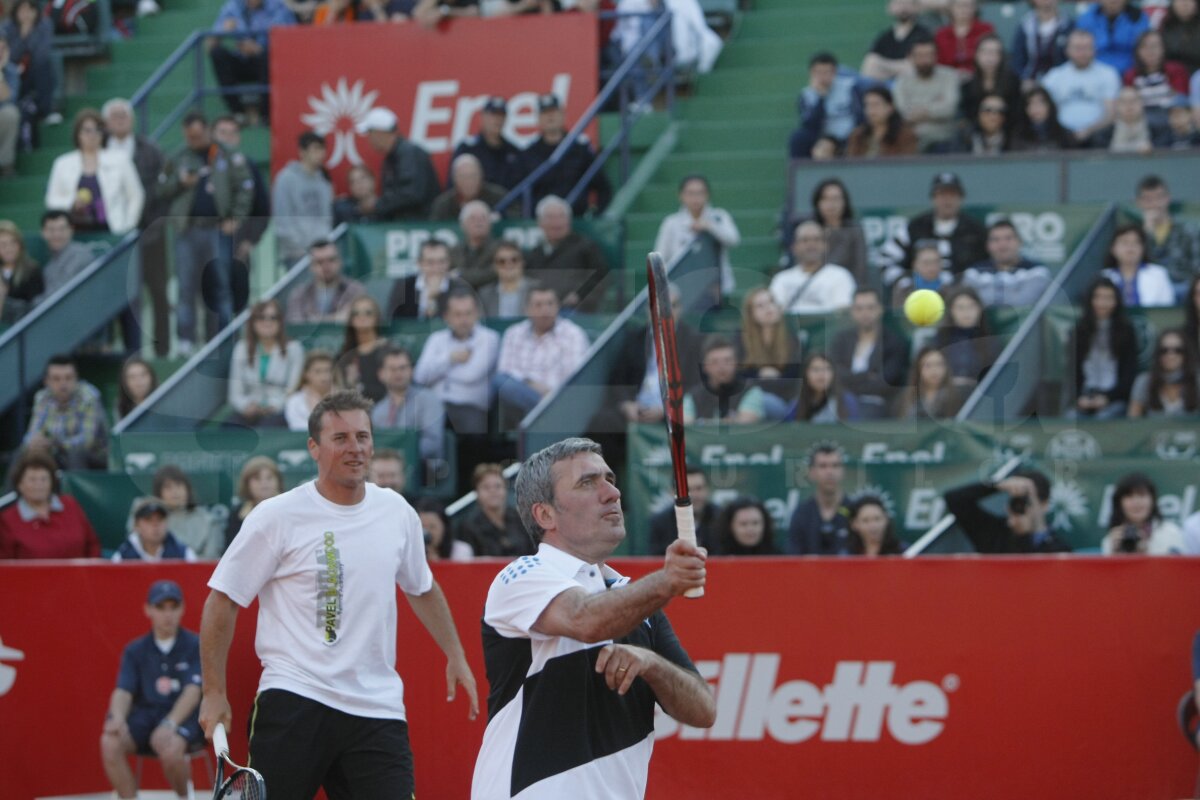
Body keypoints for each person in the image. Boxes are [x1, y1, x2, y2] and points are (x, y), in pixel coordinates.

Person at [200, 391, 479, 799]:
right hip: (294, 697)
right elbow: (222, 600)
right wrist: (213, 692)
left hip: (376, 709)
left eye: (363, 437)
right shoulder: (277, 516)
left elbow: (422, 588)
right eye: (341, 438)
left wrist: (456, 654)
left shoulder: (397, 512)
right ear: (314, 447)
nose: (356, 448)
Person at [471, 437, 714, 798]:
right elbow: (585, 620)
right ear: (545, 515)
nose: (611, 493)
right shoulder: (521, 575)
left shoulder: (635, 601)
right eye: (588, 482)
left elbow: (703, 710)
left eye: (610, 479)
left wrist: (651, 663)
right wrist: (667, 581)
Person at [159, 112, 254, 355]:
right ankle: (185, 341)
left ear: (208, 131)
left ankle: (222, 338)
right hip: (187, 230)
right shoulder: (179, 156)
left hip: (217, 230)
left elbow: (245, 188)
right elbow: (161, 190)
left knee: (220, 285)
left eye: (199, 135)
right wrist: (181, 183)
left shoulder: (227, 155)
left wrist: (236, 217)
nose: (195, 140)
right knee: (186, 286)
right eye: (190, 137)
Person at [100, 580, 204, 800]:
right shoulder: (135, 650)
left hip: (183, 718)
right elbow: (123, 691)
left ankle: (184, 796)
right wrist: (117, 718)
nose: (168, 615)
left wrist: (170, 724)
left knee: (172, 750)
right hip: (146, 717)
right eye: (160, 607)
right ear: (148, 610)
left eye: (173, 607)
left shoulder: (195, 644)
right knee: (110, 742)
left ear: (182, 608)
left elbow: (192, 692)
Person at [103, 97, 169, 355]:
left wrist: (153, 225)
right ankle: (126, 349)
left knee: (157, 291)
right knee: (120, 294)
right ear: (107, 123)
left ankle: (162, 349)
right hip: (113, 235)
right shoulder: (100, 151)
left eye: (124, 115)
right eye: (115, 116)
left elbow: (163, 191)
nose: (120, 120)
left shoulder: (150, 149)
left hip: (150, 231)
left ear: (132, 120)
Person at [494, 283, 591, 416]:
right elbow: (506, 372)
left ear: (558, 307)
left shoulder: (573, 334)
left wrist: (549, 391)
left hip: (561, 398)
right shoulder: (514, 333)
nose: (545, 310)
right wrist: (531, 383)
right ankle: (546, 411)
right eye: (538, 305)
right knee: (501, 382)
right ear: (527, 309)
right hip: (524, 396)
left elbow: (574, 378)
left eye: (550, 304)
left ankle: (544, 412)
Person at [879, 172, 988, 288]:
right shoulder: (915, 227)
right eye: (942, 194)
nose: (947, 200)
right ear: (933, 198)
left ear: (961, 198)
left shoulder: (976, 230)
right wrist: (905, 283)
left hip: (963, 300)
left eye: (952, 194)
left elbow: (990, 265)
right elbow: (886, 258)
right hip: (920, 296)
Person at [413, 287, 499, 435]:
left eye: (468, 313)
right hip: (436, 405)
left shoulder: (489, 338)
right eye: (457, 314)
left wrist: (437, 375)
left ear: (477, 314)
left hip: (471, 407)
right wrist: (451, 358)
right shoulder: (436, 339)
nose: (464, 320)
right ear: (447, 316)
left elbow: (471, 375)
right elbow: (419, 376)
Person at [44, 109, 144, 235]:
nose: (92, 135)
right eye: (87, 130)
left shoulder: (120, 159)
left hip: (113, 229)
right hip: (75, 232)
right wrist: (72, 202)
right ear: (78, 134)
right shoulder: (62, 163)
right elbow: (51, 200)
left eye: (97, 130)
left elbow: (136, 195)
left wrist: (128, 226)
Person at [518, 93, 613, 217]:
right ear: (538, 119)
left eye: (554, 112)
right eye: (545, 113)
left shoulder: (580, 150)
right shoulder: (528, 154)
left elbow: (603, 188)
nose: (550, 116)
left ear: (563, 115)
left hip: (576, 222)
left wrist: (595, 216)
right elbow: (519, 194)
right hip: (540, 224)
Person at [943, 469, 1073, 553]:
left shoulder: (1059, 550)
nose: (1020, 506)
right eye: (1016, 501)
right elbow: (954, 500)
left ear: (1044, 504)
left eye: (1026, 501)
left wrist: (1026, 532)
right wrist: (997, 485)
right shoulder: (994, 535)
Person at [0, 449, 98, 559]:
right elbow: (5, 564)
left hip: (80, 575)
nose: (39, 485)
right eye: (32, 480)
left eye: (44, 479)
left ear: (52, 483)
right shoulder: (8, 520)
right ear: (20, 484)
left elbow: (92, 545)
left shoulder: (70, 505)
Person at [653, 174, 740, 296]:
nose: (696, 198)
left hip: (716, 289)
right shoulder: (671, 223)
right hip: (683, 289)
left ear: (707, 195)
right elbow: (660, 258)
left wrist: (710, 226)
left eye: (700, 193)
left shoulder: (719, 216)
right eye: (690, 193)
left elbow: (733, 239)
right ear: (681, 196)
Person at [209, 0, 295, 121]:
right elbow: (210, 44)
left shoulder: (278, 7)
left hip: (267, 60)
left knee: (266, 56)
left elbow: (290, 40)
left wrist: (258, 49)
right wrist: (221, 33)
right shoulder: (232, 6)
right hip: (241, 59)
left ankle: (266, 114)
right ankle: (237, 112)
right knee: (217, 53)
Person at [524, 195, 611, 313]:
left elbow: (601, 276)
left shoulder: (585, 246)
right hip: (541, 311)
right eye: (550, 217)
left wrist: (580, 295)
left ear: (569, 220)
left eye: (561, 216)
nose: (557, 222)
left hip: (575, 311)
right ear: (540, 222)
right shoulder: (534, 253)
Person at [830, 288, 907, 418]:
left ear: (880, 309)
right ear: (852, 311)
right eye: (859, 308)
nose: (865, 313)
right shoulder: (841, 339)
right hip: (840, 399)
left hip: (875, 403)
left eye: (870, 308)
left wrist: (851, 380)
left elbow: (885, 382)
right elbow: (834, 373)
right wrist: (867, 375)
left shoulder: (893, 342)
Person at [227, 299, 305, 428]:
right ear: (253, 322)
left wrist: (274, 406)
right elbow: (235, 393)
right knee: (229, 427)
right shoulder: (241, 348)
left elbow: (292, 389)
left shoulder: (294, 348)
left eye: (273, 318)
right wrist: (247, 406)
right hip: (250, 409)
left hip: (280, 409)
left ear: (280, 322)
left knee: (267, 427)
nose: (267, 322)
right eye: (261, 318)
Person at [1068, 276, 1138, 419]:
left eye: (1108, 298)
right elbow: (1072, 372)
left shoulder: (1126, 330)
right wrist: (1080, 397)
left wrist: (1108, 398)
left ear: (1116, 301)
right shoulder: (1079, 331)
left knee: (1105, 417)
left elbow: (1129, 373)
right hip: (1085, 395)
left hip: (1115, 398)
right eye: (1098, 297)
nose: (1102, 303)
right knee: (1070, 417)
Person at [22, 353, 107, 470]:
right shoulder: (42, 398)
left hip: (92, 456)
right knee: (24, 453)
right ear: (47, 381)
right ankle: (13, 489)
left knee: (75, 455)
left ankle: (75, 489)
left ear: (76, 378)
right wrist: (33, 442)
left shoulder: (89, 397)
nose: (63, 384)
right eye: (56, 379)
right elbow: (33, 432)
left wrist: (55, 444)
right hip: (54, 452)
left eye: (68, 378)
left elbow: (87, 441)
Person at [372, 345, 447, 474]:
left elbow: (433, 444)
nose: (398, 373)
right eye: (392, 369)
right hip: (384, 473)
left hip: (422, 471)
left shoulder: (428, 399)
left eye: (403, 368)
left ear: (411, 370)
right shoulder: (378, 410)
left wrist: (398, 456)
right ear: (381, 374)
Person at [359, 106, 440, 221]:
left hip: (419, 226)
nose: (369, 139)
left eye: (370, 134)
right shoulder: (393, 157)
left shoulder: (409, 154)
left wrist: (377, 205)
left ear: (380, 133)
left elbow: (412, 194)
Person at [1042, 29, 1121, 145]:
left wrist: (1089, 130)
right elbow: (1046, 111)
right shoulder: (1054, 76)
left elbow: (1111, 113)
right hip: (1061, 135)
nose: (1082, 53)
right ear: (1067, 50)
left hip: (1099, 134)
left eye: (1087, 48)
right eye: (1078, 48)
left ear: (1094, 49)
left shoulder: (1108, 74)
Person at [735, 288, 803, 420]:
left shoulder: (791, 339)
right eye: (760, 306)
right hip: (749, 398)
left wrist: (764, 378)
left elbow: (794, 379)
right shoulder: (741, 339)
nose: (768, 308)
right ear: (751, 314)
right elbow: (739, 377)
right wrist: (761, 375)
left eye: (771, 302)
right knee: (756, 399)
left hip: (784, 400)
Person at [769, 220, 856, 314]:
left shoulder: (840, 276)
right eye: (804, 240)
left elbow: (843, 314)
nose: (811, 245)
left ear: (825, 246)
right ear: (794, 247)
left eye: (816, 239)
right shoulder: (782, 279)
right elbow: (775, 313)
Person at [789, 52, 866, 158]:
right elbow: (810, 125)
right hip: (822, 138)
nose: (823, 77)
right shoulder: (806, 95)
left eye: (826, 72)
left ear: (835, 72)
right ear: (811, 73)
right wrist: (821, 97)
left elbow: (860, 115)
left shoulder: (850, 87)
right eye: (818, 73)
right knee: (799, 137)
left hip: (849, 136)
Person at [273, 131, 333, 265]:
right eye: (315, 148)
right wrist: (298, 248)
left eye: (322, 149)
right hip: (296, 254)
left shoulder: (324, 182)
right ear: (302, 152)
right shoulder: (286, 179)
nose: (320, 154)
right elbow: (283, 218)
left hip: (323, 254)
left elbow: (326, 218)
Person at [961, 219, 1052, 307]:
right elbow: (969, 305)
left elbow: (1024, 303)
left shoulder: (1037, 272)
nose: (1002, 245)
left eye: (1008, 238)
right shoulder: (974, 272)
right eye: (996, 240)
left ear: (1020, 242)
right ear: (987, 245)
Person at [893, 36, 961, 151]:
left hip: (942, 141)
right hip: (910, 141)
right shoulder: (902, 81)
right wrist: (935, 106)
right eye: (920, 56)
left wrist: (920, 110)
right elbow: (902, 112)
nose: (925, 60)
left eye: (929, 55)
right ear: (911, 57)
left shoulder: (950, 76)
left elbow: (949, 109)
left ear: (936, 56)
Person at [1134, 175, 1199, 296]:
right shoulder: (1134, 235)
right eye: (1148, 199)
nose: (1155, 204)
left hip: (1184, 290)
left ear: (1168, 198)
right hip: (1148, 291)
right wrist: (1145, 234)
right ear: (1139, 202)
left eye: (1159, 197)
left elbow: (1197, 267)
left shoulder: (1188, 231)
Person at [682, 335, 765, 425]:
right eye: (714, 362)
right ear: (704, 366)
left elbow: (745, 423)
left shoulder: (751, 391)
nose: (722, 367)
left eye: (727, 361)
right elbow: (687, 426)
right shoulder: (693, 396)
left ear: (736, 363)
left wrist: (702, 423)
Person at [786, 443, 851, 555]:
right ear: (811, 472)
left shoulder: (855, 511)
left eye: (835, 466)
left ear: (843, 471)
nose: (830, 472)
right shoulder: (801, 514)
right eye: (823, 466)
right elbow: (793, 559)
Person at [455, 464, 533, 558]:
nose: (493, 491)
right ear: (477, 492)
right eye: (486, 487)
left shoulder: (521, 518)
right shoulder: (467, 526)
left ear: (505, 489)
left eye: (498, 486)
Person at [1, 0, 56, 127]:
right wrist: (23, 33)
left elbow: (41, 53)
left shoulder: (45, 24)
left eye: (29, 9)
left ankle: (45, 111)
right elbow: (10, 56)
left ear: (35, 11)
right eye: (22, 10)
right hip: (11, 72)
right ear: (16, 11)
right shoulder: (7, 27)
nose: (26, 14)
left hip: (34, 71)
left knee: (44, 66)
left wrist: (29, 32)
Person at [285, 239, 366, 324]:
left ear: (340, 261)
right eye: (320, 262)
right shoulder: (299, 294)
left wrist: (312, 319)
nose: (326, 266)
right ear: (311, 266)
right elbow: (295, 326)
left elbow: (359, 321)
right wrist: (337, 318)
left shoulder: (355, 290)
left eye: (331, 260)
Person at [1102, 472, 1186, 555]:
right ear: (1119, 503)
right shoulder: (1111, 540)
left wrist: (1147, 551)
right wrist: (1114, 554)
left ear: (1153, 500)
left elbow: (1180, 567)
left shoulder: (1171, 533)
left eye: (1142, 495)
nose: (1136, 502)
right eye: (1129, 496)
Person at [803, 178, 868, 285]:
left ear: (844, 202)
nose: (831, 204)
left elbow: (860, 268)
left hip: (846, 289)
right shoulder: (809, 230)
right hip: (813, 288)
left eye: (836, 199)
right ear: (817, 203)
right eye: (825, 199)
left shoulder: (854, 231)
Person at [1124, 30, 1189, 133]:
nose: (1150, 51)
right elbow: (1128, 103)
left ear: (1163, 49)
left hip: (1171, 125)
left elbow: (1181, 101)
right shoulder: (1131, 76)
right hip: (1142, 126)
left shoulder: (1176, 70)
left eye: (1155, 46)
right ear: (1138, 51)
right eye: (1145, 47)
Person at [387, 238, 469, 321]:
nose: (436, 268)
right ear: (419, 263)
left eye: (441, 262)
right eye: (430, 262)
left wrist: (433, 299)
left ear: (449, 262)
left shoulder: (458, 287)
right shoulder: (404, 286)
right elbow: (392, 319)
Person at [152, 464, 224, 559]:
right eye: (168, 487)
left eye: (178, 485)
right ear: (159, 493)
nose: (175, 492)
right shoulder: (148, 520)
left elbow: (212, 559)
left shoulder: (209, 521)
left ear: (187, 488)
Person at [452, 95, 521, 191]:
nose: (497, 120)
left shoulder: (514, 152)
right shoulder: (467, 149)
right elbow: (453, 186)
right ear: (483, 117)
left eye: (501, 115)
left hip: (507, 204)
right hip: (474, 203)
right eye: (493, 115)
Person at [935, 285, 998, 390]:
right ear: (951, 311)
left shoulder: (991, 342)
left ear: (980, 309)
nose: (966, 313)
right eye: (960, 308)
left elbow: (996, 379)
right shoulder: (940, 340)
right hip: (946, 396)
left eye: (971, 306)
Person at [647, 466, 719, 556]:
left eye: (699, 488)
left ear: (707, 490)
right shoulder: (660, 522)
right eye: (687, 490)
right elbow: (656, 558)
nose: (695, 495)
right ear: (673, 493)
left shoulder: (721, 517)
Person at [1128, 328, 1200, 417]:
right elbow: (1132, 420)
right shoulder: (1144, 381)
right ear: (1158, 353)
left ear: (1186, 354)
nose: (1170, 355)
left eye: (1178, 350)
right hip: (1155, 430)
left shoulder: (1197, 380)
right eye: (1164, 350)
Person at [1102, 222, 1175, 307]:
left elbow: (1166, 309)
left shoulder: (1159, 274)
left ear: (1143, 248)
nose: (1130, 247)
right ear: (1113, 249)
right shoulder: (1104, 277)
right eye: (1124, 242)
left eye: (1136, 242)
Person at [861, 0, 932, 81]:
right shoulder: (885, 36)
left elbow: (919, 64)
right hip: (885, 81)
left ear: (916, 7)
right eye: (899, 3)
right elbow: (872, 60)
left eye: (907, 3)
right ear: (890, 8)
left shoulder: (924, 34)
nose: (903, 8)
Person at [1073, 0, 1148, 74]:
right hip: (1093, 75)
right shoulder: (1086, 19)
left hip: (1131, 75)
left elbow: (1145, 51)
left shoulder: (1139, 18)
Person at [113, 497, 199, 562]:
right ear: (136, 525)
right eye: (148, 519)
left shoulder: (184, 554)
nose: (155, 524)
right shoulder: (122, 556)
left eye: (160, 519)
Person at [336, 295, 388, 402]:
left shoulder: (388, 351)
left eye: (368, 313)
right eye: (356, 313)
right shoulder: (344, 355)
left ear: (376, 317)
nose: (362, 317)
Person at [845, 85, 921, 159]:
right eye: (867, 105)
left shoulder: (905, 135)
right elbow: (851, 165)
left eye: (876, 105)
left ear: (890, 107)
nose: (871, 110)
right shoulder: (857, 135)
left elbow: (907, 166)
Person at [1009, 0, 1073, 87]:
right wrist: (1024, 79)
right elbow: (1017, 59)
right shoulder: (1025, 26)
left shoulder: (1068, 25)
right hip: (1031, 81)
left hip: (1062, 83)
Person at [430, 153, 507, 222]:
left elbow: (514, 219)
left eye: (473, 176)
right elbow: (434, 228)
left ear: (481, 176)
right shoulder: (443, 205)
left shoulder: (498, 197)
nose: (469, 181)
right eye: (463, 177)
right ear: (455, 179)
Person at [224, 455, 282, 546]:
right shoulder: (237, 515)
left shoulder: (290, 509)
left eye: (269, 478)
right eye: (257, 479)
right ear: (247, 484)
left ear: (279, 481)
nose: (264, 483)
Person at [36, 210, 92, 300]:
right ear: (43, 233)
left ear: (71, 230)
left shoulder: (79, 254)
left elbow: (60, 297)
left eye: (62, 229)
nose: (57, 234)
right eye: (51, 230)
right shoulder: (49, 266)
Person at [897, 346, 963, 419]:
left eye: (939, 364)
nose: (934, 370)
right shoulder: (906, 397)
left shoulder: (955, 397)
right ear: (918, 369)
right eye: (928, 365)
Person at [934, 0, 995, 77]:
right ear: (951, 8)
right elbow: (939, 63)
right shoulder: (941, 34)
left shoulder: (985, 30)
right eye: (960, 5)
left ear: (975, 8)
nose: (964, 9)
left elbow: (991, 57)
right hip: (947, 79)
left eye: (968, 6)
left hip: (979, 77)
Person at [794, 352, 859, 422]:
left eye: (827, 369)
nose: (821, 375)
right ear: (805, 374)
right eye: (815, 369)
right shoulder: (796, 405)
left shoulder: (847, 401)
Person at [450, 200, 501, 289]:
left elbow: (494, 273)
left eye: (483, 218)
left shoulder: (500, 249)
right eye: (473, 218)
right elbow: (447, 276)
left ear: (490, 224)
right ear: (463, 224)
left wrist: (460, 274)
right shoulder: (454, 251)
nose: (478, 222)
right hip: (459, 297)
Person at [891, 238, 954, 308]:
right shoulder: (904, 289)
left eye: (936, 262)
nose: (932, 267)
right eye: (926, 263)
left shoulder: (950, 289)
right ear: (915, 265)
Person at [0, 218, 41, 323]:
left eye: (13, 243)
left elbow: (34, 307)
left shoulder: (32, 269)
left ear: (20, 244)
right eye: (3, 245)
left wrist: (4, 298)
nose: (9, 248)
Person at [1010, 85, 1074, 151]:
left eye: (1040, 103)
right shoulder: (1019, 135)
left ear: (1049, 106)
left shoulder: (1063, 134)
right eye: (1031, 103)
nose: (1036, 108)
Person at [1094, 86, 1158, 152]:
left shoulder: (1158, 131)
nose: (1129, 105)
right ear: (1117, 105)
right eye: (1124, 102)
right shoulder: (1103, 135)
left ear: (1141, 103)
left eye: (1133, 101)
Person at [285, 350, 336, 432]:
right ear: (306, 374)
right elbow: (299, 429)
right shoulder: (295, 401)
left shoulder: (344, 399)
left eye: (327, 371)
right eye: (318, 372)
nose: (324, 377)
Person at [479, 241, 531, 318]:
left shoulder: (536, 289)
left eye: (514, 260)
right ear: (494, 266)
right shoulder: (485, 295)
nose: (508, 264)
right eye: (502, 261)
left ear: (522, 262)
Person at [416, 497, 474, 561]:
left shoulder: (461, 550)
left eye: (432, 527)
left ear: (444, 527)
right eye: (422, 527)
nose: (427, 532)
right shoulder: (410, 551)